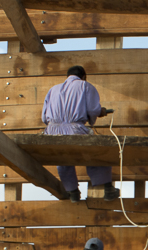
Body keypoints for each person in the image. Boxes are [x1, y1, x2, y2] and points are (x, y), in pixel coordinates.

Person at [43, 65, 118, 202]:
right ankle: (108, 189)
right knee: (96, 152)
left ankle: (73, 193)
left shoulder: (53, 89)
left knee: (63, 159)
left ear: (67, 76)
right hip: (74, 129)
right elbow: (93, 110)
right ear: (84, 77)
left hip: (52, 131)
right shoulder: (85, 86)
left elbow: (44, 117)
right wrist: (100, 112)